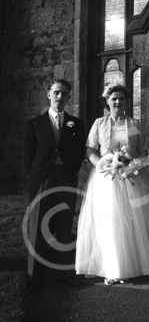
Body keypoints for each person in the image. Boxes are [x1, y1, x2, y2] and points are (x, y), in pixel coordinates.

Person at [75, 84, 149, 285]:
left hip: (131, 176)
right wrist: (102, 164)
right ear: (107, 101)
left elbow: (142, 150)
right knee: (110, 220)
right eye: (114, 99)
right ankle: (111, 268)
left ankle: (132, 266)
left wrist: (133, 165)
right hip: (106, 178)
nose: (118, 102)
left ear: (126, 101)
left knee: (133, 221)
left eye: (121, 99)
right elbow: (90, 149)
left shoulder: (134, 123)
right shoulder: (99, 123)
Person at [23, 79, 86, 287]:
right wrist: (37, 176)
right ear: (48, 94)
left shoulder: (75, 123)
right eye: (57, 93)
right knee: (38, 227)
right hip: (43, 178)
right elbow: (28, 155)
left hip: (66, 177)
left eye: (64, 94)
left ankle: (64, 274)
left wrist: (69, 171)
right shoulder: (34, 124)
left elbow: (78, 153)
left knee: (64, 225)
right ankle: (35, 276)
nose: (60, 97)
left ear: (69, 97)